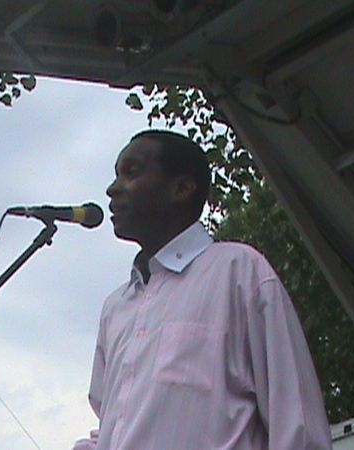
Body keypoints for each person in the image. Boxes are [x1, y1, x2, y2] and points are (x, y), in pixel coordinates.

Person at [73, 130, 332, 450]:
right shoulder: (116, 306)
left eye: (132, 172)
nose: (113, 188)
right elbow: (114, 424)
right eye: (116, 175)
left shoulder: (238, 271)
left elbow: (297, 424)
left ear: (181, 188)